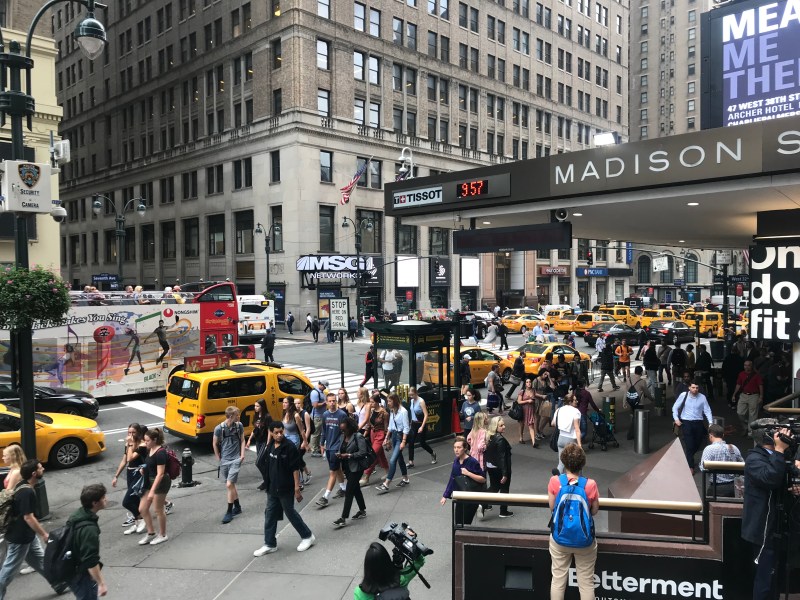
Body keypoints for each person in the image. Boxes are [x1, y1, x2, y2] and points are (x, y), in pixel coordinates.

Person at [742, 424, 797, 600]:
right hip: (763, 531)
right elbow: (770, 478)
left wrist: (794, 488)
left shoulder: (779, 456)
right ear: (768, 437)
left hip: (779, 526)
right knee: (765, 580)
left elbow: (788, 475)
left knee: (775, 580)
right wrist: (779, 450)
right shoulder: (754, 459)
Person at [0, 459, 68, 598]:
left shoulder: (22, 485)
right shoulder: (27, 492)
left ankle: (57, 583)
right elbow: (28, 517)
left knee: (40, 559)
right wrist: (44, 534)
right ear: (34, 473)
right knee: (9, 570)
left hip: (26, 534)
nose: (43, 469)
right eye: (40, 468)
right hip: (20, 537)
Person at [254, 421, 316, 556]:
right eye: (276, 432)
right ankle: (270, 544)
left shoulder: (289, 447)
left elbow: (295, 469)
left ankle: (307, 536)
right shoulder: (271, 445)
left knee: (290, 512)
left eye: (281, 432)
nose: (279, 435)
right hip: (272, 488)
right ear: (271, 433)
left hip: (285, 488)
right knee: (270, 515)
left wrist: (296, 488)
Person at [548, 444, 599, 600]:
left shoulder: (555, 481)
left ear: (563, 461)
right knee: (586, 583)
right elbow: (594, 511)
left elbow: (552, 507)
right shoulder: (590, 484)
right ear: (582, 463)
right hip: (584, 540)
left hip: (559, 538)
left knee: (558, 581)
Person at [67, 483, 109, 599]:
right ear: (94, 503)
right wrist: (101, 583)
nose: (106, 499)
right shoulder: (89, 530)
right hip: (81, 575)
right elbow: (90, 560)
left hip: (71, 568)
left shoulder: (78, 515)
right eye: (103, 497)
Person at [354, 541, 425, 600]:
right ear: (387, 561)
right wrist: (409, 544)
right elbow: (419, 561)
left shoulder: (360, 593)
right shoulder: (401, 580)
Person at [440, 436, 486, 525]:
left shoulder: (472, 462)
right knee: (458, 523)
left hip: (470, 498)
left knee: (466, 524)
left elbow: (483, 479)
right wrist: (445, 495)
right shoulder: (456, 461)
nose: (456, 450)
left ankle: (479, 506)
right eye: (454, 447)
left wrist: (468, 473)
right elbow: (452, 478)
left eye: (459, 447)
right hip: (460, 497)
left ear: (465, 448)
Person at [137, 428, 171, 545]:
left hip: (160, 482)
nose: (145, 443)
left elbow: (160, 474)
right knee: (142, 509)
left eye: (147, 440)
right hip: (149, 480)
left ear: (155, 440)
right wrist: (144, 470)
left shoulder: (160, 452)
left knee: (158, 510)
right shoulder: (150, 449)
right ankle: (151, 532)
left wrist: (152, 491)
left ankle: (163, 534)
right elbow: (150, 464)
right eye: (145, 440)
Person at [333, 417, 369, 528]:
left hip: (357, 468)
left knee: (349, 491)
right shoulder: (343, 436)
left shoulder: (358, 436)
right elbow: (342, 448)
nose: (343, 431)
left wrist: (349, 455)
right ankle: (362, 510)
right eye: (341, 430)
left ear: (350, 427)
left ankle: (343, 518)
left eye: (344, 429)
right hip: (347, 467)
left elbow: (363, 452)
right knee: (356, 488)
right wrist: (339, 454)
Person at [112, 423, 147, 535]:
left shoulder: (142, 445)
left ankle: (141, 518)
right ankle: (137, 522)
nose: (131, 435)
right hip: (130, 473)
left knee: (127, 501)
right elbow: (124, 461)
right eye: (129, 432)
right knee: (135, 500)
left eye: (133, 432)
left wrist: (131, 444)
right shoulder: (129, 444)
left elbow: (130, 458)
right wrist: (116, 476)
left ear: (139, 433)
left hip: (138, 473)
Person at [213, 406, 246, 524]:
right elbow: (214, 443)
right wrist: (218, 458)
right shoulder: (219, 428)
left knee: (229, 484)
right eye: (237, 414)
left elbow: (242, 440)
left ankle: (229, 512)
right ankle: (237, 507)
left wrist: (242, 455)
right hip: (225, 460)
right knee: (231, 485)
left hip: (236, 459)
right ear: (231, 416)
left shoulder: (239, 426)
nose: (239, 416)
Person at [672, 381, 713, 474]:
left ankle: (687, 456)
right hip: (686, 423)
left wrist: (710, 422)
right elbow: (675, 407)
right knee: (689, 444)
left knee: (698, 443)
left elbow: (707, 410)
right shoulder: (683, 395)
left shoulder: (702, 397)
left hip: (698, 423)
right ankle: (690, 466)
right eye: (693, 387)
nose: (695, 390)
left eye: (697, 388)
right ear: (689, 388)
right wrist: (676, 419)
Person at [315, 393, 349, 507]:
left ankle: (325, 497)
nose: (332, 403)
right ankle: (343, 489)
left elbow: (346, 432)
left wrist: (342, 446)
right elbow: (324, 430)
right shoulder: (325, 414)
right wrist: (321, 444)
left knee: (332, 472)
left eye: (334, 400)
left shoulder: (342, 414)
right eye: (330, 401)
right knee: (337, 468)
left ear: (336, 401)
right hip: (329, 447)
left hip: (337, 447)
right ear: (327, 402)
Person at [375, 393, 411, 494]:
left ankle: (386, 483)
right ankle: (405, 479)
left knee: (392, 460)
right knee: (400, 458)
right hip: (394, 436)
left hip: (400, 437)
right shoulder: (392, 410)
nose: (388, 403)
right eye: (388, 401)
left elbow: (406, 428)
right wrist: (386, 438)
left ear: (395, 401)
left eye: (390, 401)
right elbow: (391, 426)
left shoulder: (403, 411)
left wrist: (403, 441)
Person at [699, 423, 743, 498]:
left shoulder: (709, 449)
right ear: (723, 435)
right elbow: (742, 464)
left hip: (716, 488)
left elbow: (703, 468)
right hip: (734, 487)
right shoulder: (733, 448)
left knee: (711, 504)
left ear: (710, 435)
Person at [484, 416, 513, 518]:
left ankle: (483, 502)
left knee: (494, 487)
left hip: (490, 466)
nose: (504, 427)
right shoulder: (500, 440)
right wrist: (505, 473)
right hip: (500, 468)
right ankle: (503, 511)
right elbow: (502, 457)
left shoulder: (490, 437)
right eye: (501, 425)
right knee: (504, 489)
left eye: (503, 424)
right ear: (495, 426)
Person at [360, 393, 389, 487]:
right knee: (380, 454)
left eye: (372, 402)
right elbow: (369, 424)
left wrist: (386, 439)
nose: (370, 404)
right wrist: (364, 434)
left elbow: (386, 427)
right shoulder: (372, 411)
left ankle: (366, 476)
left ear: (377, 402)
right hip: (373, 433)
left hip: (380, 435)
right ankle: (388, 472)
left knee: (373, 454)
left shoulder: (384, 413)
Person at [551, 394, 582, 474]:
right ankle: (579, 480)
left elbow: (553, 423)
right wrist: (579, 444)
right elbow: (577, 429)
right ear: (570, 402)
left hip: (561, 438)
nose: (577, 401)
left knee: (561, 463)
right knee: (576, 463)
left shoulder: (559, 410)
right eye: (575, 400)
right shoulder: (576, 412)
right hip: (571, 439)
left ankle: (557, 479)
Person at [407, 387, 436, 468]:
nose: (411, 396)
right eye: (410, 395)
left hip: (420, 423)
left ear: (416, 393)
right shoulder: (412, 401)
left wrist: (422, 427)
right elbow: (412, 413)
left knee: (422, 443)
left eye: (412, 395)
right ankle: (411, 461)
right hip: (413, 423)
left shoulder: (421, 401)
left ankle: (432, 453)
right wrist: (410, 423)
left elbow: (426, 415)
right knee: (411, 442)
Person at [733, 359, 764, 438]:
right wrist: (734, 394)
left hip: (754, 395)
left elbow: (760, 386)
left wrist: (761, 396)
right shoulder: (741, 374)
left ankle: (750, 432)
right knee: (740, 412)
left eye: (748, 365)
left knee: (753, 415)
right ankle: (746, 426)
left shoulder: (756, 375)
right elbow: (738, 385)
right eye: (745, 365)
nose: (746, 367)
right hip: (743, 395)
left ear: (751, 366)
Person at [248, 399, 272, 490]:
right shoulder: (256, 416)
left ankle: (267, 481)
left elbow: (270, 430)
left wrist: (268, 443)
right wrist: (249, 440)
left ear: (262, 406)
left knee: (258, 462)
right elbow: (255, 429)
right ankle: (267, 481)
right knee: (262, 462)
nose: (255, 408)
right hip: (258, 441)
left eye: (257, 406)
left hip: (264, 441)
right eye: (255, 406)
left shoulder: (267, 417)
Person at [625, 366, 653, 441]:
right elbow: (647, 393)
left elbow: (626, 391)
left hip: (631, 401)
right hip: (639, 402)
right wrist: (652, 399)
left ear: (635, 371)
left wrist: (624, 402)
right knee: (637, 418)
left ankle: (634, 433)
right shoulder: (642, 382)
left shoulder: (629, 379)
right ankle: (631, 434)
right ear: (641, 372)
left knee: (634, 417)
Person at [293, 397, 313, 486]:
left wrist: (305, 442)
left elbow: (308, 428)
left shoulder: (305, 413)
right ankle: (301, 475)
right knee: (297, 457)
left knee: (298, 457)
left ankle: (307, 473)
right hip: (297, 437)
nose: (297, 405)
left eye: (298, 403)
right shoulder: (294, 413)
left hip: (304, 437)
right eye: (295, 403)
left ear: (301, 404)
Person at [516, 377, 539, 447]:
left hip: (531, 410)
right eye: (527, 382)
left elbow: (536, 396)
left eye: (530, 382)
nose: (529, 383)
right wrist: (527, 401)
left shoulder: (533, 390)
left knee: (531, 425)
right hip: (522, 410)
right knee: (521, 424)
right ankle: (521, 438)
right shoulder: (522, 391)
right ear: (525, 384)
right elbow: (519, 401)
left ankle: (533, 442)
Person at [308, 380, 328, 457]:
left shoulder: (320, 392)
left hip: (320, 416)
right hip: (317, 416)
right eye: (324, 386)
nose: (325, 388)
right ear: (321, 385)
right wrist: (324, 403)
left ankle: (317, 448)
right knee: (316, 433)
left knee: (319, 433)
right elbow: (315, 405)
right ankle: (314, 450)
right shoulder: (315, 393)